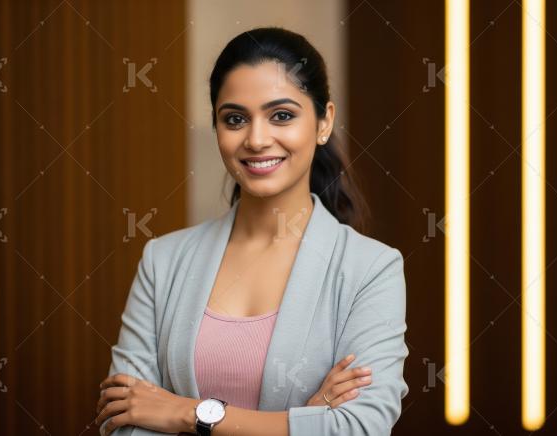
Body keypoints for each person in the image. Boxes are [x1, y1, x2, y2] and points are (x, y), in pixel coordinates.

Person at [95, 26, 409, 435]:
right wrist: (302, 420)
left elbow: (359, 428)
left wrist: (187, 414)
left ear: (323, 122)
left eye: (282, 115)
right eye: (235, 119)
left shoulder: (371, 269)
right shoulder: (163, 261)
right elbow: (123, 421)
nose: (257, 139)